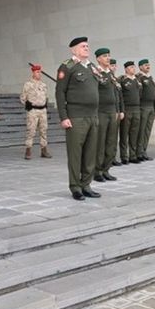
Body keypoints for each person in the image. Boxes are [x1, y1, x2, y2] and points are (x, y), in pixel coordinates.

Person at [55, 36, 100, 201]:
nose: (86, 48)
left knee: (90, 153)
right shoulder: (67, 66)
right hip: (76, 117)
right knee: (75, 154)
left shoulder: (92, 67)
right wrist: (64, 116)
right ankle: (75, 187)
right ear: (74, 50)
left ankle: (86, 185)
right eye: (83, 46)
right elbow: (60, 92)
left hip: (92, 116)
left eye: (87, 46)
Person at [93, 48, 120, 182]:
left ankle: (106, 169)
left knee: (111, 141)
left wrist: (117, 110)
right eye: (105, 56)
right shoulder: (96, 73)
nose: (108, 58)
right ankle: (97, 171)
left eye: (109, 55)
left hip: (112, 111)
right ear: (98, 59)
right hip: (101, 112)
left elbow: (116, 93)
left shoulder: (111, 74)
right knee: (101, 142)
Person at [20, 63, 52, 160]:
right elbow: (23, 97)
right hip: (33, 110)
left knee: (44, 131)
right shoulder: (28, 84)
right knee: (31, 131)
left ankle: (44, 150)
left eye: (40, 72)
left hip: (42, 110)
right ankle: (28, 150)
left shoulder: (43, 85)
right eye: (37, 72)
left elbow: (45, 96)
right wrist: (28, 104)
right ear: (33, 73)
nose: (39, 74)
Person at [118, 61, 141, 164]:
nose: (133, 69)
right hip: (127, 109)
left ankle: (133, 155)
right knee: (124, 133)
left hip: (136, 109)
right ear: (126, 69)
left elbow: (140, 94)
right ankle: (124, 156)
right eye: (131, 67)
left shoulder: (137, 80)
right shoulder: (122, 80)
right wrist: (122, 110)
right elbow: (120, 96)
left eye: (134, 67)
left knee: (134, 133)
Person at [136, 59, 155, 161]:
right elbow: (138, 93)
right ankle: (139, 152)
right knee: (141, 130)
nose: (148, 66)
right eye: (145, 65)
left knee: (147, 130)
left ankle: (144, 150)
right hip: (143, 107)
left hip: (151, 106)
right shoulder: (139, 77)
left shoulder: (150, 78)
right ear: (140, 67)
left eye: (148, 64)